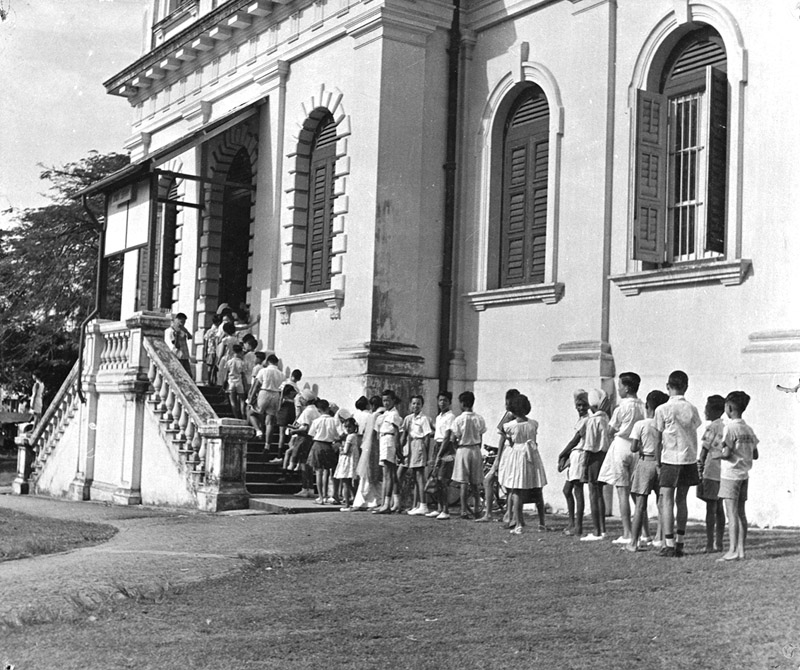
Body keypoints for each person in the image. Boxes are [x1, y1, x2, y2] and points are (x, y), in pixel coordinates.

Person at [655, 370, 702, 558]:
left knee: (666, 500)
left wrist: (657, 463)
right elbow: (695, 426)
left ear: (668, 386)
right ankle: (680, 542)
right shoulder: (692, 408)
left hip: (670, 458)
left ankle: (669, 543)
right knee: (681, 500)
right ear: (686, 386)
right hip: (689, 458)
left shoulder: (662, 409)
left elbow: (658, 438)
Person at [599, 372, 646, 545]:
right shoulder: (643, 406)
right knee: (639, 493)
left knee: (622, 492)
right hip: (637, 448)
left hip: (621, 446)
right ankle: (644, 533)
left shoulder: (621, 408)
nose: (618, 388)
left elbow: (610, 431)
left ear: (626, 388)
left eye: (620, 385)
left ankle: (627, 532)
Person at [715, 391, 759, 562]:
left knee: (731, 514)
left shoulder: (730, 428)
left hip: (730, 475)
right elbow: (755, 454)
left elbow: (726, 453)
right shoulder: (748, 429)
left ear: (729, 407)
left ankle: (732, 550)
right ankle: (741, 549)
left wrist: (716, 454)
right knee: (741, 513)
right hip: (744, 475)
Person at [625, 390, 669, 553]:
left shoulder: (641, 424)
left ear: (647, 406)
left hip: (645, 462)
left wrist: (643, 447)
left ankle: (634, 542)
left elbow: (634, 447)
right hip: (661, 464)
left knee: (640, 505)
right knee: (663, 503)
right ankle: (664, 539)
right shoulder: (663, 425)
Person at [499, 393, 547, 535]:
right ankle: (542, 523)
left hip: (518, 456)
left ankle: (519, 523)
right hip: (532, 455)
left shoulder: (509, 426)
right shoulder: (533, 423)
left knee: (516, 489)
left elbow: (511, 442)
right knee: (537, 489)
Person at [477, 389, 519, 524]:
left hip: (507, 453)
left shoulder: (510, 416)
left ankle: (492, 513)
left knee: (490, 480)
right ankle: (507, 513)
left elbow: (502, 439)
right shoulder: (518, 416)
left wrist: (497, 459)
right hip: (513, 453)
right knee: (508, 485)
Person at [557, 389, 590, 537]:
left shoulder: (586, 420)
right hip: (575, 456)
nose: (581, 408)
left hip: (580, 455)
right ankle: (572, 522)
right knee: (567, 490)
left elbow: (575, 440)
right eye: (579, 405)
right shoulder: (580, 420)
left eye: (584, 405)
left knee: (577, 490)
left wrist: (562, 454)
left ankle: (578, 526)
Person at [696, 395, 727, 553]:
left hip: (711, 469)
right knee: (719, 507)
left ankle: (709, 543)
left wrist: (699, 470)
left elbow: (704, 451)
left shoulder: (711, 428)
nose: (705, 410)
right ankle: (719, 542)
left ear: (714, 410)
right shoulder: (725, 426)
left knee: (711, 508)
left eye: (707, 407)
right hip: (723, 471)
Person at [580, 388, 611, 541]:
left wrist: (584, 465)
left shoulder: (593, 420)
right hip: (604, 455)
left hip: (594, 456)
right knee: (600, 493)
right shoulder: (606, 418)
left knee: (593, 492)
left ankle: (596, 530)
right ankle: (602, 528)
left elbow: (589, 445)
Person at [450, 391, 486, 520]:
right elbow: (481, 437)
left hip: (463, 449)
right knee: (475, 482)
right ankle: (477, 509)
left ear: (462, 403)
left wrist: (457, 448)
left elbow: (453, 438)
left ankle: (464, 510)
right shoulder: (479, 418)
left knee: (464, 482)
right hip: (475, 449)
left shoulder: (459, 419)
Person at [400, 395, 434, 516]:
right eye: (413, 403)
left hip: (419, 445)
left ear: (422, 406)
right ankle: (418, 504)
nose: (415, 406)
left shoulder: (424, 419)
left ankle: (423, 504)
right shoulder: (409, 418)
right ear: (410, 405)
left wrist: (426, 452)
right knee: (415, 475)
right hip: (411, 445)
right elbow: (404, 435)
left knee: (420, 475)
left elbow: (427, 437)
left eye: (418, 404)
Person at [426, 391, 456, 520]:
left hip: (447, 449)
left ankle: (446, 510)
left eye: (445, 400)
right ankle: (439, 508)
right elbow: (437, 434)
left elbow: (447, 437)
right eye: (440, 400)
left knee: (443, 479)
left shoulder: (451, 417)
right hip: (437, 446)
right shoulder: (438, 417)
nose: (442, 403)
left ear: (449, 402)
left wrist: (439, 455)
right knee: (436, 477)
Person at [373, 390, 403, 514]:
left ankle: (386, 504)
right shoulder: (386, 414)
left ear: (393, 401)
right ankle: (396, 503)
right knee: (392, 474)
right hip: (384, 440)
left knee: (388, 474)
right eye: (384, 400)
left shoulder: (394, 414)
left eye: (388, 400)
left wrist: (397, 448)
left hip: (389, 441)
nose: (386, 403)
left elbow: (396, 432)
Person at [353, 395, 384, 510]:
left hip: (371, 446)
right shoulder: (381, 414)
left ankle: (366, 501)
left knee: (368, 474)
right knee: (376, 475)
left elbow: (369, 433)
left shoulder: (374, 415)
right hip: (379, 445)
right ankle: (376, 500)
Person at [307, 399, 340, 505]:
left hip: (317, 444)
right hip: (328, 445)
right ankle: (326, 496)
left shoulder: (316, 421)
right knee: (327, 471)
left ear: (318, 409)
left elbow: (311, 434)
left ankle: (321, 497)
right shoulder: (333, 420)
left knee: (318, 472)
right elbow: (337, 435)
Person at [249, 354, 285, 451]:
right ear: (276, 363)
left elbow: (256, 384)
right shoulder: (281, 374)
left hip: (264, 392)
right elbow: (282, 389)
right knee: (270, 422)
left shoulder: (263, 371)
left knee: (251, 413)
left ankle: (258, 431)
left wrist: (251, 397)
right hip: (275, 394)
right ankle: (267, 445)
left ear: (268, 361)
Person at [335, 417, 361, 511]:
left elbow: (345, 451)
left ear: (354, 427)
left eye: (349, 427)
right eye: (346, 427)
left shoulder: (350, 437)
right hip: (352, 460)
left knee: (345, 482)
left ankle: (346, 504)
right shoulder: (356, 436)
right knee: (350, 483)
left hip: (347, 461)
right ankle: (355, 500)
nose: (348, 429)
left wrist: (340, 448)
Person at [276, 369, 302, 457]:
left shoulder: (285, 383)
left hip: (284, 408)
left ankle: (280, 454)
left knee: (281, 434)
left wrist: (278, 408)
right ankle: (289, 454)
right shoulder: (297, 389)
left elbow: (280, 396)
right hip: (292, 409)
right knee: (290, 433)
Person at [165, 312, 193, 377]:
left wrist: (186, 332)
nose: (183, 324)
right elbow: (176, 345)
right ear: (177, 320)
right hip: (178, 355)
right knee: (179, 374)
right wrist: (177, 334)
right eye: (181, 322)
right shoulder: (172, 330)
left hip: (185, 355)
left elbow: (190, 337)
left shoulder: (183, 329)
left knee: (189, 375)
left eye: (184, 322)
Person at [224, 344, 246, 419]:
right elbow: (243, 375)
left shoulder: (229, 362)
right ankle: (243, 416)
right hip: (239, 382)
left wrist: (224, 383)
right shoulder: (242, 362)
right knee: (242, 401)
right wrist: (245, 385)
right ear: (240, 352)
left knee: (233, 402)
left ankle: (236, 417)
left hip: (231, 382)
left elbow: (226, 373)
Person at [203, 314, 222, 385]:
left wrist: (205, 351)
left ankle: (211, 380)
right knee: (212, 366)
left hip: (211, 350)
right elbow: (206, 341)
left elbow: (206, 341)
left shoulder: (209, 331)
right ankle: (210, 380)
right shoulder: (216, 331)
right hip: (214, 350)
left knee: (212, 366)